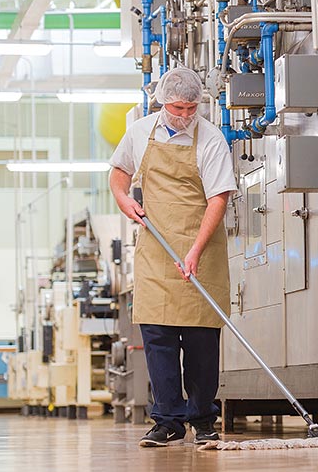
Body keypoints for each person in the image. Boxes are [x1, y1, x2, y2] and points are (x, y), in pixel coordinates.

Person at [109, 67, 236, 447]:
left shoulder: (211, 139)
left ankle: (203, 419)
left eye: (190, 108)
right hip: (157, 249)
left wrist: (195, 250)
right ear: (162, 102)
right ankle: (167, 421)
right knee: (158, 337)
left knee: (200, 339)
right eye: (177, 107)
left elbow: (219, 197)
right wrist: (124, 199)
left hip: (202, 245)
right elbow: (118, 173)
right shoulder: (140, 131)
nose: (184, 115)